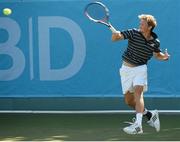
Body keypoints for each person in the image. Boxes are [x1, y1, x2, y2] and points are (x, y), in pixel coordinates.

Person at [111, 14, 170, 134]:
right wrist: (116, 34)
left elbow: (157, 55)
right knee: (129, 101)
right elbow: (115, 38)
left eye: (142, 24)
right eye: (140, 23)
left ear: (149, 27)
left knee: (138, 93)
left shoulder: (155, 42)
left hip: (141, 69)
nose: (139, 25)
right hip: (126, 69)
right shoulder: (133, 32)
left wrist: (164, 57)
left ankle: (138, 125)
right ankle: (149, 114)